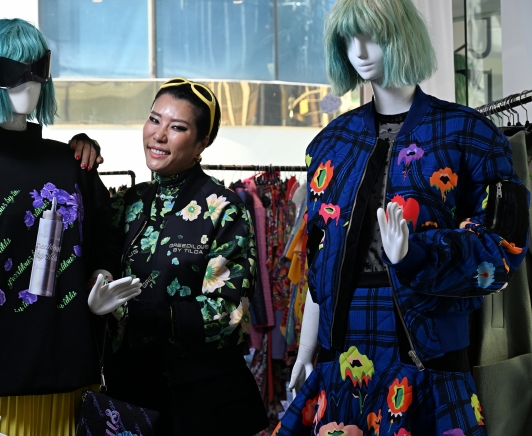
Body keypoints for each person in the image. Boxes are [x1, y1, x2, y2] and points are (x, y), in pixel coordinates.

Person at [274, 0, 529, 435]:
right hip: (343, 350)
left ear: (403, 36)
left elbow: (504, 246)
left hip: (427, 348)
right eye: (348, 38)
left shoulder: (470, 133)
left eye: (371, 35)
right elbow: (319, 258)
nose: (359, 49)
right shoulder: (330, 143)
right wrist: (307, 349)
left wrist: (417, 254)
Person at [0, 18, 140, 436]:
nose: (30, 82)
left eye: (38, 68)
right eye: (12, 70)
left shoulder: (73, 166)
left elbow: (104, 243)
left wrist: (99, 282)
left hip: (77, 384)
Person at [92, 78, 268, 436]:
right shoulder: (126, 203)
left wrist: (133, 311)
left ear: (202, 142)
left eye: (177, 127)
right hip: (132, 398)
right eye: (154, 120)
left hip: (204, 401)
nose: (158, 135)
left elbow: (228, 314)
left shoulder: (223, 208)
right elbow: (95, 261)